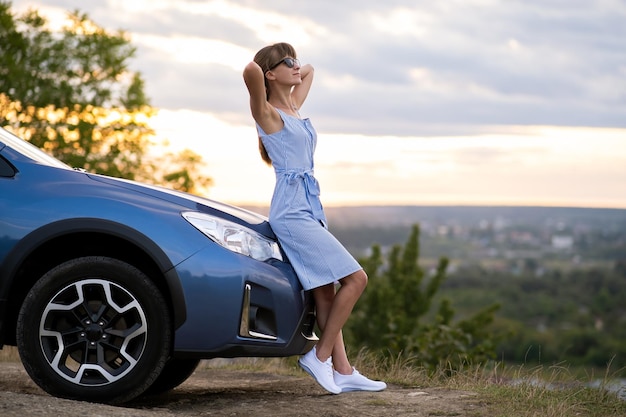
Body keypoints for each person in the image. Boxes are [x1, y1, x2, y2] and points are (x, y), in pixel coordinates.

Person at [243, 42, 386, 394]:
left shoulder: (293, 106)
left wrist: (289, 66)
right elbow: (249, 70)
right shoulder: (269, 113)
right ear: (271, 73)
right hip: (291, 213)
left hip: (310, 206)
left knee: (324, 294)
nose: (296, 66)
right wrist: (265, 72)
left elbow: (311, 70)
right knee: (356, 279)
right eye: (286, 63)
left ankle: (344, 368)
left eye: (294, 60)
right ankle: (318, 357)